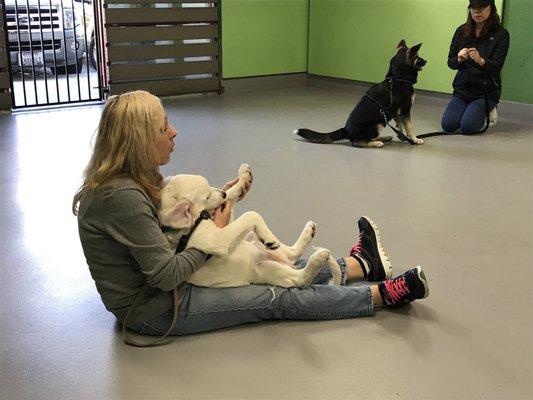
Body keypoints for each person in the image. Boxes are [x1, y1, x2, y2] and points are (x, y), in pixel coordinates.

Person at [72, 90, 429, 341]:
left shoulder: (130, 179)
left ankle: (360, 266)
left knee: (267, 263)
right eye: (162, 127)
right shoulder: (121, 197)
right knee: (276, 294)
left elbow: (167, 233)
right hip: (157, 310)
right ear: (138, 140)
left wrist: (212, 210)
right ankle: (381, 294)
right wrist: (215, 235)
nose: (173, 131)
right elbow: (165, 275)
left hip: (171, 287)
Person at [441, 0, 510, 134]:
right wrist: (458, 59)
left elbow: (497, 66)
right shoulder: (462, 30)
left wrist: (481, 61)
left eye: (482, 7)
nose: (477, 11)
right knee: (448, 126)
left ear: (491, 8)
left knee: (468, 127)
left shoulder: (501, 34)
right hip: (463, 89)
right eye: (473, 8)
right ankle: (468, 110)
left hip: (485, 92)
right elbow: (451, 63)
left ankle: (490, 109)